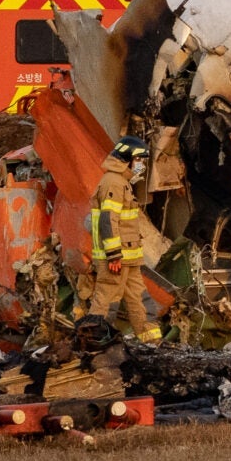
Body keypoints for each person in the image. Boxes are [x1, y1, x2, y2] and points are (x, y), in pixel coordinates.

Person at [84, 136, 159, 341]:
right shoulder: (113, 183)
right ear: (127, 159)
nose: (142, 165)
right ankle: (94, 343)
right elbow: (108, 220)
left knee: (141, 301)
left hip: (129, 259)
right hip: (117, 259)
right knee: (106, 302)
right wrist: (114, 255)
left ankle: (151, 343)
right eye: (139, 161)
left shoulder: (122, 183)